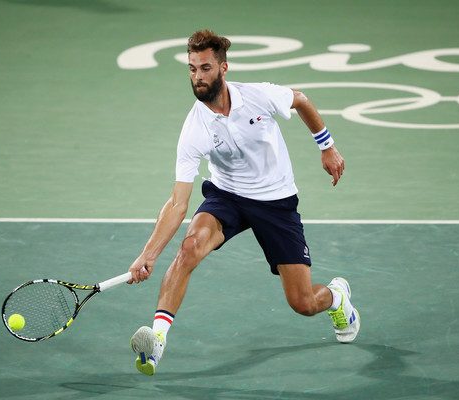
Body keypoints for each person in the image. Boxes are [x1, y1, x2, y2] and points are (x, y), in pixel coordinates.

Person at [127, 29, 360, 376]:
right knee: (190, 247)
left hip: (275, 201)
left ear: (223, 68)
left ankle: (338, 297)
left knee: (303, 303)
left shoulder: (258, 96)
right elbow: (178, 204)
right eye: (191, 69)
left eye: (205, 68)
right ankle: (157, 339)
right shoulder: (194, 128)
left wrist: (326, 146)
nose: (197, 77)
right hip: (227, 197)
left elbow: (300, 100)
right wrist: (148, 254)